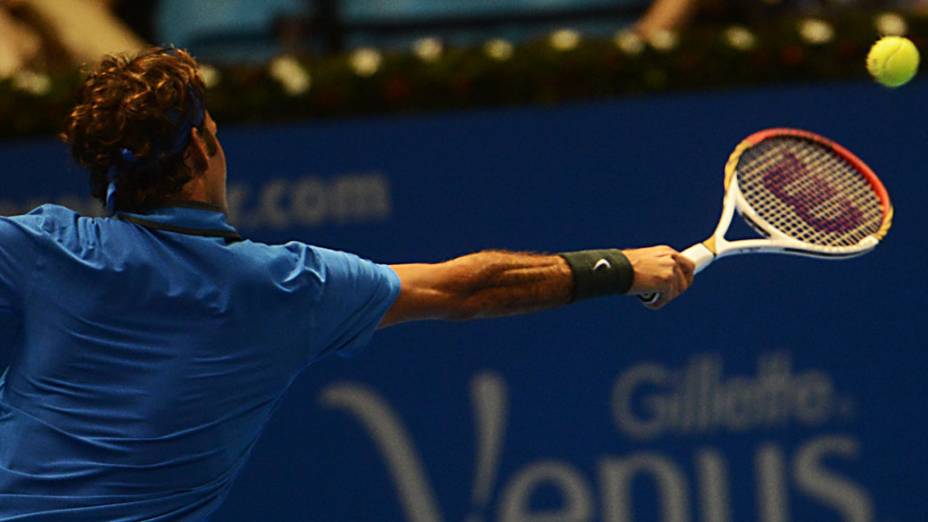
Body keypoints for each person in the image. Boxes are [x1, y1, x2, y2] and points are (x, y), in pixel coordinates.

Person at [0, 47, 694, 521]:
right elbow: (469, 289)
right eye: (214, 128)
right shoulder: (283, 288)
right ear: (199, 151)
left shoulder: (37, 249)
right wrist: (627, 266)